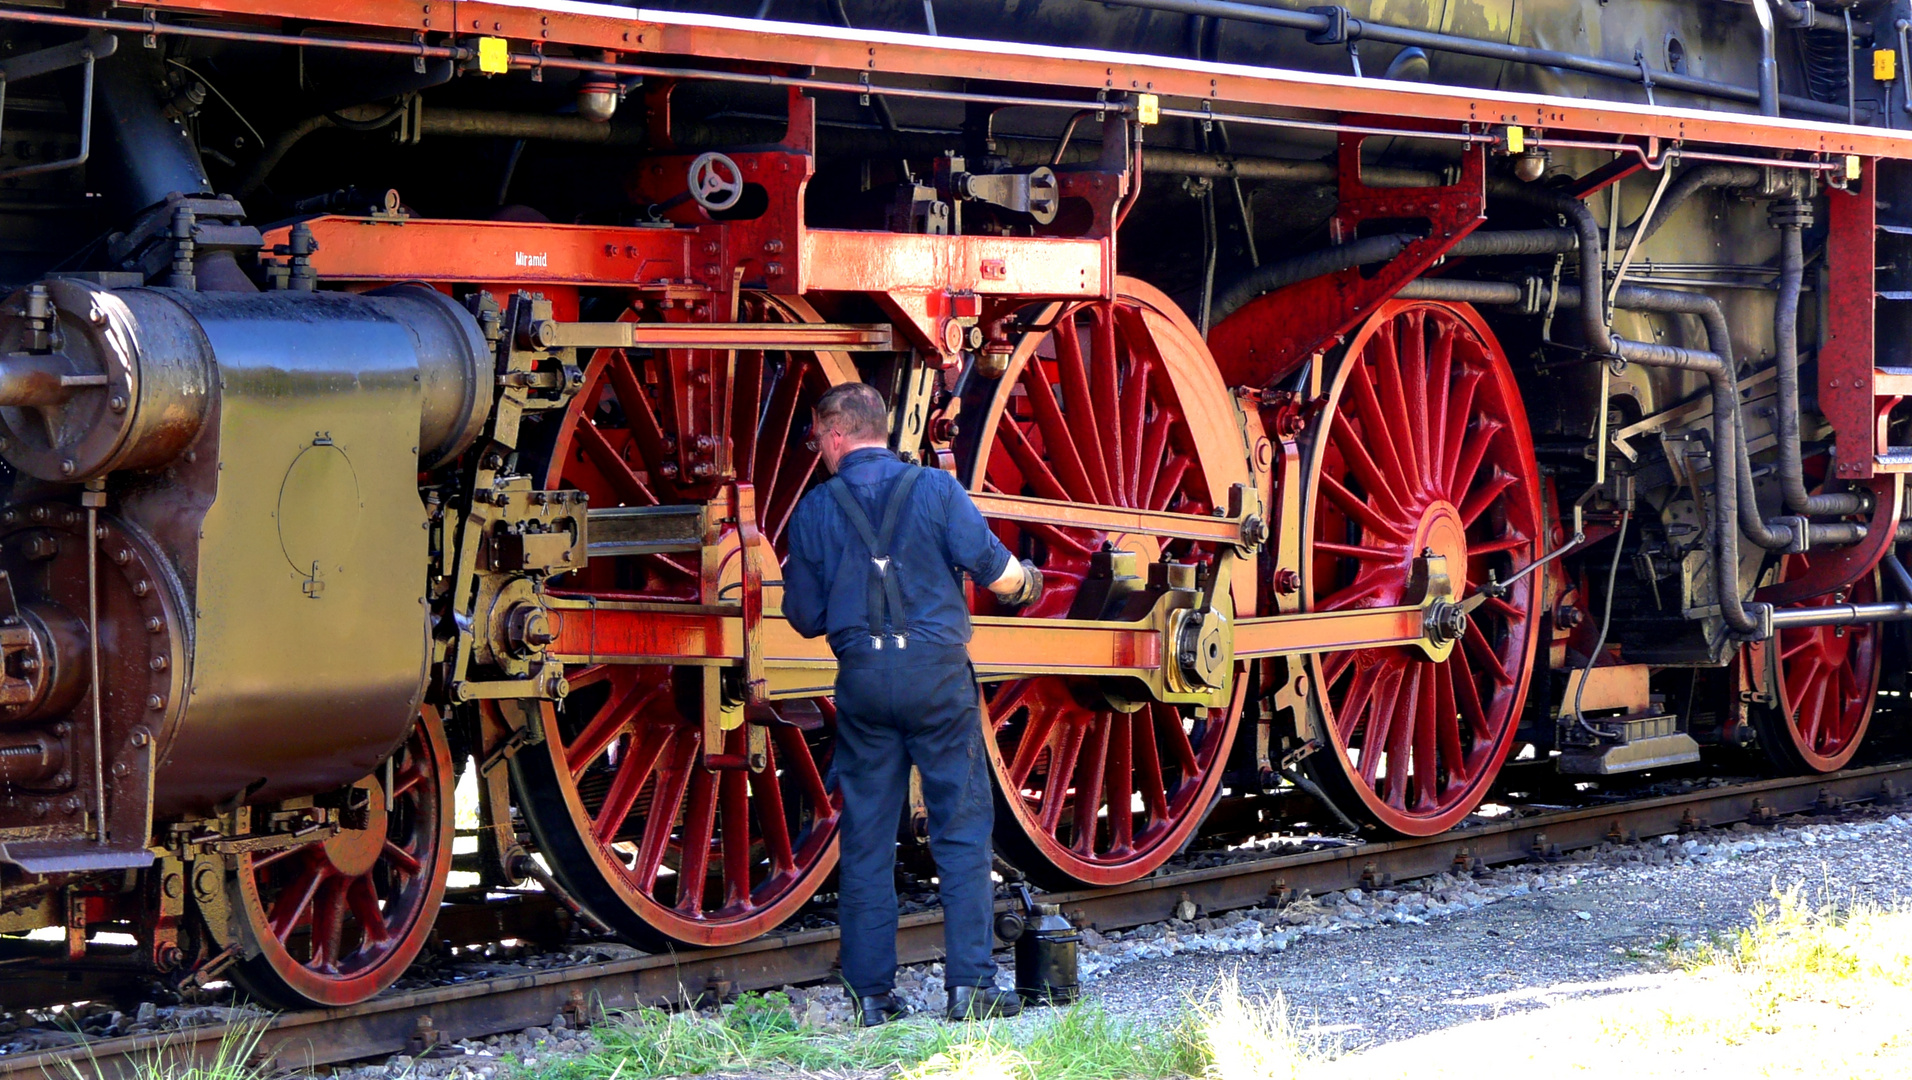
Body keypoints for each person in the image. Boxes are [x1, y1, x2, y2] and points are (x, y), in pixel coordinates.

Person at [782, 381, 1043, 1026]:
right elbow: (996, 569)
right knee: (961, 829)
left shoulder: (814, 511)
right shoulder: (935, 490)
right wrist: (1029, 584)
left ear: (837, 432)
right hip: (938, 680)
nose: (816, 446)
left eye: (817, 436)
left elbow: (804, 616)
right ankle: (970, 989)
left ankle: (872, 997)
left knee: (868, 839)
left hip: (864, 684)